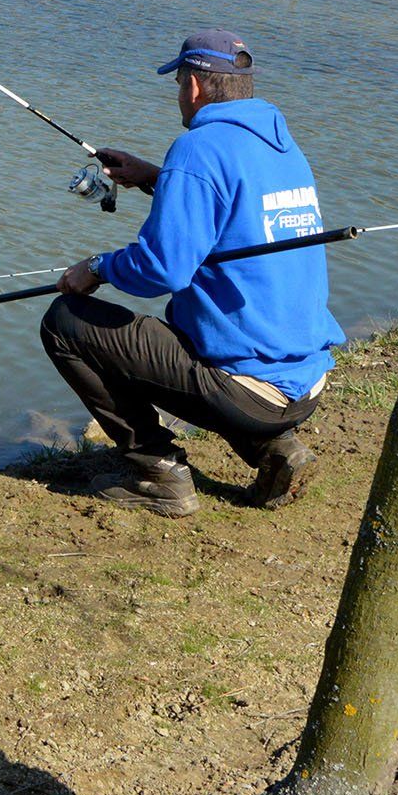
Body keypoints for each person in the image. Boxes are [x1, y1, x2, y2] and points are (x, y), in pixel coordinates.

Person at [42, 30, 344, 517]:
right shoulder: (281, 146)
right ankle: (274, 449)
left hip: (249, 394)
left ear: (196, 87)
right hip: (305, 385)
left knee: (66, 322)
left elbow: (161, 270)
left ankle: (159, 473)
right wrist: (155, 179)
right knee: (205, 332)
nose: (180, 94)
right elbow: (233, 210)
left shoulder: (197, 148)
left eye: (179, 82)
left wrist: (96, 268)